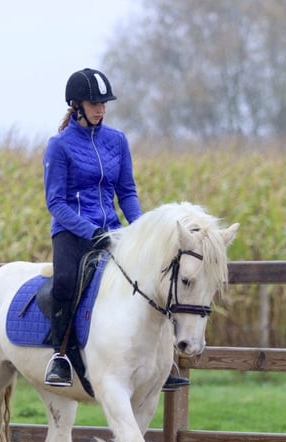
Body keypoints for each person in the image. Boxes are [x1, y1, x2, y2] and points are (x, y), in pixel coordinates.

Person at [42, 67, 188, 392]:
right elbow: (56, 204)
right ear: (77, 105)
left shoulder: (117, 141)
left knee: (157, 279)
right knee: (66, 282)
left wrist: (141, 232)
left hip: (115, 231)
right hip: (72, 232)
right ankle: (60, 356)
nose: (101, 108)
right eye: (94, 103)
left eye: (104, 103)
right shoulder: (59, 146)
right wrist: (90, 231)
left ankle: (162, 363)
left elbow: (127, 192)